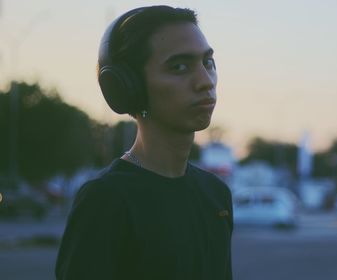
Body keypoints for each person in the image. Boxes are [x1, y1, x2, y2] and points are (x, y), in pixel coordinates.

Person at [55, 5, 233, 280]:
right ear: (128, 87)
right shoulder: (106, 200)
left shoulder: (215, 194)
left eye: (207, 62)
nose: (205, 81)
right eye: (180, 67)